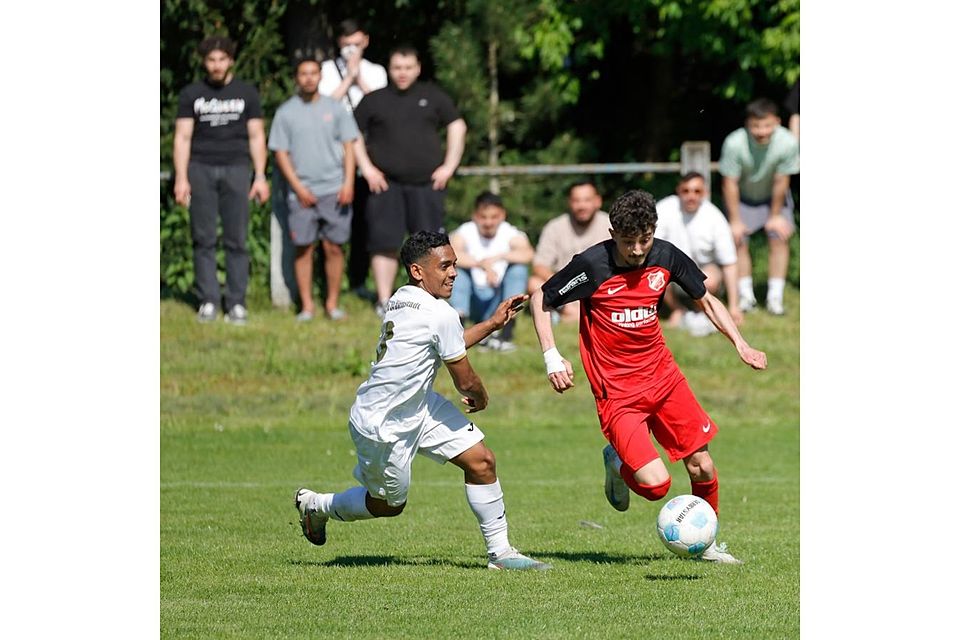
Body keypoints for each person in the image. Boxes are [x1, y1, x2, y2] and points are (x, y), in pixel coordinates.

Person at [530, 189, 768, 564]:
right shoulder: (592, 265)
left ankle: (706, 544)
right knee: (657, 486)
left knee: (703, 465)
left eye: (645, 239)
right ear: (612, 234)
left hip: (664, 379)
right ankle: (617, 462)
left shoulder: (665, 255)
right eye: (628, 242)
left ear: (654, 231)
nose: (638, 249)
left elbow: (705, 297)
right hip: (618, 393)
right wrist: (552, 356)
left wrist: (740, 343)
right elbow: (542, 299)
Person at [294, 231, 549, 571]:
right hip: (383, 423)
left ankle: (500, 554)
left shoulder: (402, 297)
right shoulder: (438, 313)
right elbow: (466, 380)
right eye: (445, 266)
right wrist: (481, 397)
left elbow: (447, 342)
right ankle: (317, 506)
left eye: (455, 264)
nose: (454, 273)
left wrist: (490, 324)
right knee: (389, 505)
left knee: (481, 461)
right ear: (418, 271)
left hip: (419, 406)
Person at [352, 45, 468, 318]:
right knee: (384, 243)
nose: (402, 73)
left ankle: (432, 299)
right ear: (389, 70)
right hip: (385, 185)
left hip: (427, 185)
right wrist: (367, 168)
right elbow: (351, 133)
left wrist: (449, 166)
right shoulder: (374, 100)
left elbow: (457, 126)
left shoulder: (433, 96)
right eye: (396, 68)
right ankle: (384, 300)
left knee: (431, 247)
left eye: (407, 68)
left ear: (417, 68)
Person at [173, 35, 270, 325]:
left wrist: (261, 176)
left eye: (221, 59)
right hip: (200, 168)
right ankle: (208, 300)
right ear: (205, 63)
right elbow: (182, 137)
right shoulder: (192, 94)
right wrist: (181, 178)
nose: (216, 65)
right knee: (203, 238)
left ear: (230, 60)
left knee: (236, 238)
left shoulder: (246, 93)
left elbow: (256, 136)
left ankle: (236, 302)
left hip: (237, 169)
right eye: (211, 60)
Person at [269, 54, 359, 322]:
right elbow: (281, 153)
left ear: (320, 76)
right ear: (297, 78)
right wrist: (298, 187)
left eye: (313, 73)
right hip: (302, 193)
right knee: (304, 248)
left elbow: (349, 147)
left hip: (335, 189)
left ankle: (332, 303)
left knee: (334, 247)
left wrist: (348, 182)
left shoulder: (336, 108)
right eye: (303, 74)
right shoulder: (286, 113)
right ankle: (307, 306)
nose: (308, 78)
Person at [318, 19, 388, 299]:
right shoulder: (326, 70)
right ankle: (328, 284)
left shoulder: (377, 71)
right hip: (334, 156)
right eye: (346, 45)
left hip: (371, 155)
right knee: (334, 224)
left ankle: (359, 279)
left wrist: (359, 77)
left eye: (356, 44)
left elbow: (383, 106)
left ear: (366, 42)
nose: (351, 49)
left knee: (366, 222)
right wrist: (347, 77)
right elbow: (324, 107)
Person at [719, 98, 800, 316]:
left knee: (779, 236)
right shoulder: (734, 143)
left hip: (774, 197)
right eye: (756, 125)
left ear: (777, 122)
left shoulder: (788, 143)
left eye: (767, 125)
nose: (762, 131)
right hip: (742, 198)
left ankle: (775, 298)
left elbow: (782, 181)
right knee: (737, 239)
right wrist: (735, 221)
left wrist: (775, 216)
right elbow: (729, 183)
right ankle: (746, 297)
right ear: (748, 123)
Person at [654, 172, 741, 336]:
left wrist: (734, 306)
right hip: (671, 273)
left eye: (696, 191)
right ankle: (677, 310)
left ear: (705, 193)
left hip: (704, 272)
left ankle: (701, 312)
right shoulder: (664, 209)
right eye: (686, 191)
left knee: (710, 278)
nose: (691, 196)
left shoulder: (714, 217)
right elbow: (650, 247)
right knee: (656, 271)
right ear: (678, 191)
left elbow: (729, 262)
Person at [449, 192, 534, 352]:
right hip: (472, 298)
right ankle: (459, 330)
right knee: (456, 270)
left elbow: (527, 254)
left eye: (494, 217)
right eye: (483, 217)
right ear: (475, 216)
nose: (488, 222)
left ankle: (507, 333)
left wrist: (498, 257)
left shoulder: (510, 233)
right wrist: (482, 265)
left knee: (518, 270)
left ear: (502, 215)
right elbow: (452, 253)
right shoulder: (465, 231)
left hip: (498, 298)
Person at [527, 181, 610, 323]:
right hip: (565, 290)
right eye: (577, 201)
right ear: (569, 202)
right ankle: (572, 313)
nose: (582, 206)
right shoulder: (555, 227)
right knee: (533, 283)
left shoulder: (610, 224)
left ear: (598, 201)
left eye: (587, 200)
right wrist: (563, 284)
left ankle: (568, 315)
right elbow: (539, 266)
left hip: (601, 288)